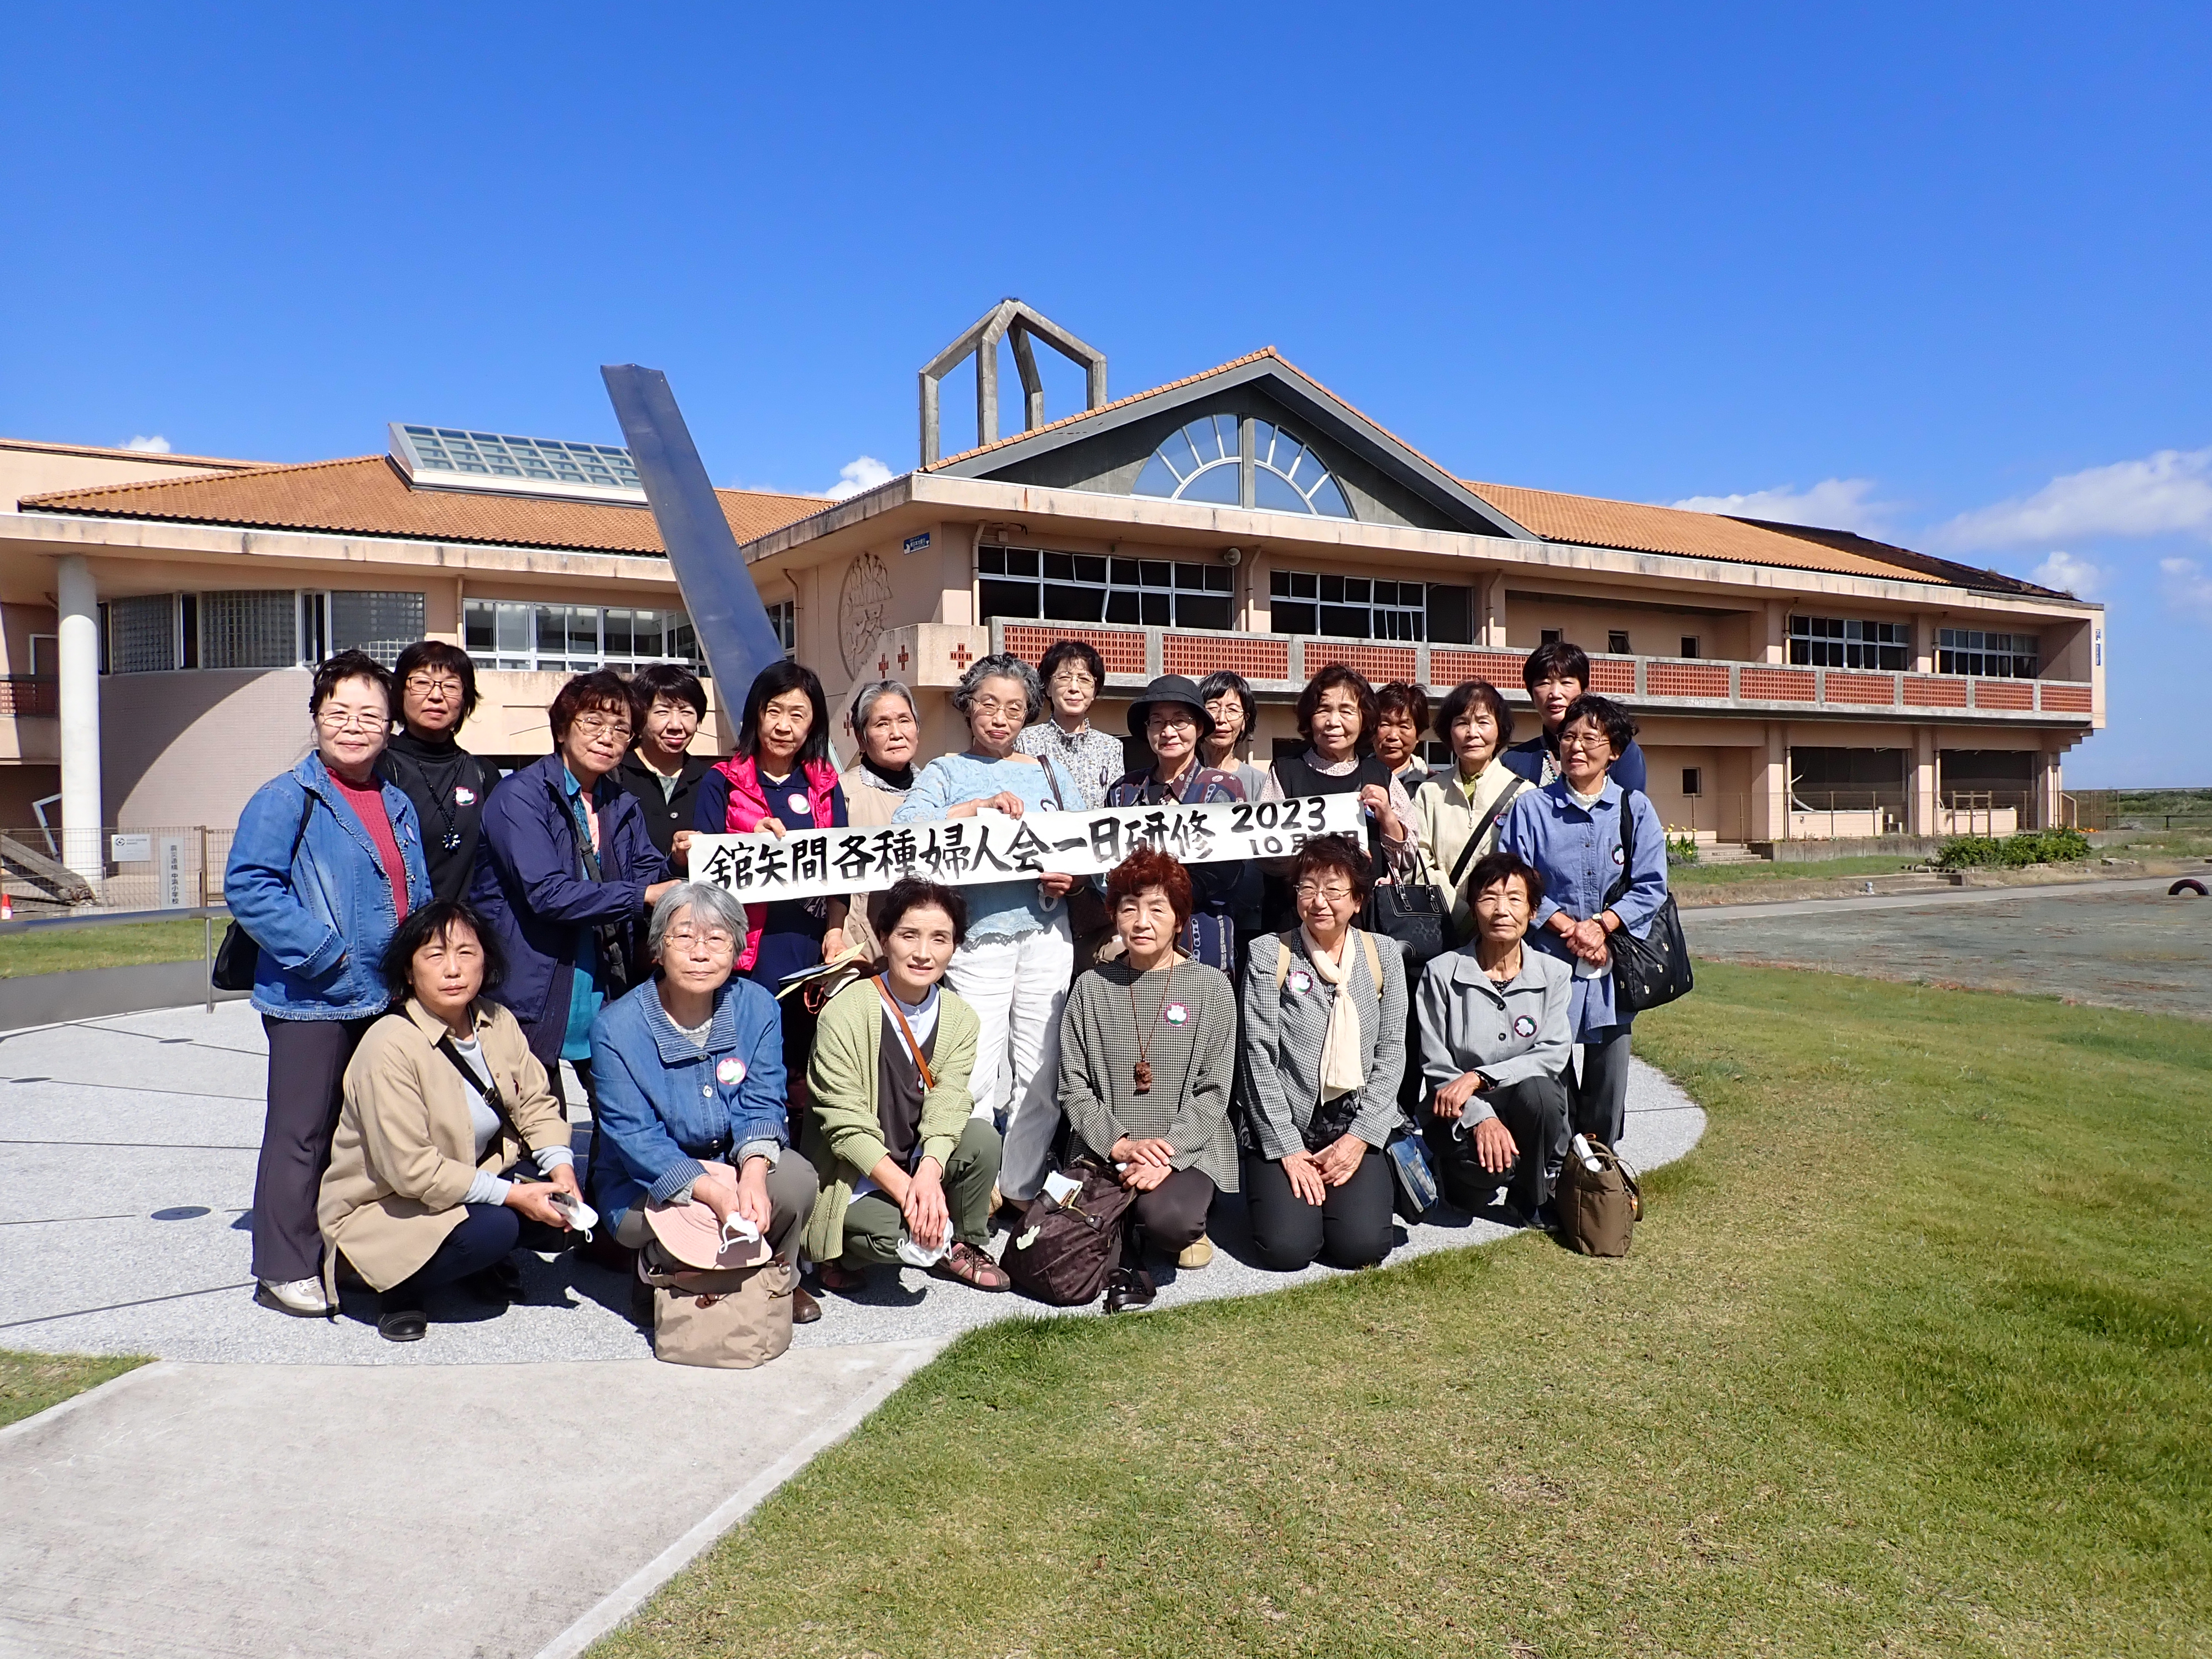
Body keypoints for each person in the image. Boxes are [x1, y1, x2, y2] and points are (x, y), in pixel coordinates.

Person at [226, 650, 432, 1317]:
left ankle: (351, 1252)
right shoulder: (287, 796)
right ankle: (283, 1265)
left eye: (369, 713)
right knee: (301, 1131)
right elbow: (250, 888)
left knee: (367, 1132)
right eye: (338, 711)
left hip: (385, 997)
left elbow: (415, 890)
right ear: (316, 719)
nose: (353, 725)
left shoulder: (394, 799)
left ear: (390, 725)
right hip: (312, 998)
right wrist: (325, 953)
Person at [320, 900, 578, 1341]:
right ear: (408, 970)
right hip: (391, 1204)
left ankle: (472, 1266)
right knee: (498, 1228)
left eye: (466, 953)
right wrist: (514, 1196)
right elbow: (412, 1172)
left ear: (486, 961)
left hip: (467, 1180)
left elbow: (535, 1103)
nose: (453, 969)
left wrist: (563, 1170)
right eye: (435, 956)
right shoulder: (390, 1045)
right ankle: (396, 1287)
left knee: (568, 1205)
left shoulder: (497, 1021)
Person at [894, 653, 1082, 1204]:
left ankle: (1020, 1185)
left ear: (1029, 714)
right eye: (989, 705)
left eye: (1015, 708)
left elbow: (1086, 846)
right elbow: (905, 832)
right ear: (967, 707)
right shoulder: (945, 771)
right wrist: (975, 809)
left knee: (1039, 1070)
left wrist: (1068, 879)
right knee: (972, 1073)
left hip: (1048, 937)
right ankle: (972, 1186)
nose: (1001, 718)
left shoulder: (1051, 771)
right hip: (976, 942)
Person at [588, 882, 822, 1323]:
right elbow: (635, 1137)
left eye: (716, 939)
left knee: (793, 1181)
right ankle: (661, 1270)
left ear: (737, 951)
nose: (700, 953)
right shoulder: (615, 1029)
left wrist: (752, 1175)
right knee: (659, 1215)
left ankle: (776, 1276)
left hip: (732, 1160)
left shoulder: (758, 1007)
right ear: (658, 949)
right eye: (684, 938)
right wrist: (711, 1190)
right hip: (644, 1180)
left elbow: (763, 1102)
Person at [472, 670, 679, 1093]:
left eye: (621, 728)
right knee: (534, 1130)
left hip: (602, 982)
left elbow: (651, 879)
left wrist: (676, 861)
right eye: (593, 722)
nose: (608, 736)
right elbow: (547, 893)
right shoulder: (520, 796)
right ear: (563, 728)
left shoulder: (620, 803)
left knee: (623, 1117)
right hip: (531, 983)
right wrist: (644, 894)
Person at [803, 879, 1009, 1293]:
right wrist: (907, 1191)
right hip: (855, 1176)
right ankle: (845, 1249)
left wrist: (928, 1178)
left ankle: (961, 1244)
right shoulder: (845, 1012)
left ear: (955, 946)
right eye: (908, 935)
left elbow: (950, 1102)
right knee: (892, 1238)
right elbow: (845, 1127)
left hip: (917, 1164)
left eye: (940, 939)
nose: (923, 953)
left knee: (982, 1138)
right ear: (884, 938)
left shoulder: (960, 1017)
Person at [1057, 847, 1239, 1310]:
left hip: (1183, 1146)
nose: (1141, 921)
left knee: (1170, 1221)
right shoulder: (1092, 987)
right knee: (1078, 1250)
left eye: (1157, 909)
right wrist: (1117, 1144)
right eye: (1129, 908)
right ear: (1114, 915)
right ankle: (1126, 1231)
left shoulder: (1212, 986)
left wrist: (1166, 1153)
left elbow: (1214, 1090)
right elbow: (1073, 1085)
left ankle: (1167, 1220)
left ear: (1179, 920)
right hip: (1107, 1148)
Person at [1498, 694, 1668, 1149]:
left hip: (1614, 967)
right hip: (1547, 965)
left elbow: (1651, 887)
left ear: (1614, 751)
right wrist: (1569, 928)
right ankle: (1555, 1172)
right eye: (1568, 736)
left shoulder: (1636, 809)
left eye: (1590, 738)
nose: (1576, 746)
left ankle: (1601, 1176)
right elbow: (1514, 885)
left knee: (1608, 1085)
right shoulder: (1530, 809)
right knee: (1549, 1076)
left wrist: (1603, 926)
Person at [1237, 837, 1408, 1273]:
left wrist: (1359, 1138)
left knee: (1362, 1247)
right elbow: (1257, 1057)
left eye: (1334, 891)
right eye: (1307, 889)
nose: (1319, 902)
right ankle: (1284, 1190)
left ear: (1357, 900)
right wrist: (1289, 1150)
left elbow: (1391, 1051)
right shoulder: (1268, 954)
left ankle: (1347, 1191)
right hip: (1287, 1122)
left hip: (1352, 1121)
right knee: (1288, 1248)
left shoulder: (1383, 954)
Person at [693, 660, 849, 1128]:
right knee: (744, 1058)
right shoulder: (721, 780)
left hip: (807, 947)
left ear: (814, 723)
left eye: (798, 715)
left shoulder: (825, 783)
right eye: (774, 711)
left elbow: (842, 866)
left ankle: (803, 1175)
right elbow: (702, 873)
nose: (784, 726)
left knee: (804, 1067)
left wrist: (836, 933)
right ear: (755, 716)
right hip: (747, 950)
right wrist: (746, 841)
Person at [1414, 851, 1573, 1227]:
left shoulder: (1555, 974)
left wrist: (1479, 1077)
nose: (1502, 910)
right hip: (1457, 1112)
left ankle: (1529, 1195)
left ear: (1533, 912)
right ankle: (1461, 1177)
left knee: (1543, 1093)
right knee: (1479, 1185)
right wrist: (1482, 1115)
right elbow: (1437, 1066)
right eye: (1489, 898)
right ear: (1473, 908)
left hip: (1521, 1104)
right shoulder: (1441, 973)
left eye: (1515, 899)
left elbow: (1552, 1054)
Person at [1257, 664, 1420, 931]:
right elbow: (1265, 854)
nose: (1334, 722)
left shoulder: (1380, 775)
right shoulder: (1286, 772)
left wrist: (1388, 817)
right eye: (1323, 710)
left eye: (1346, 711)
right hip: (1295, 922)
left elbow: (1408, 859)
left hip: (1364, 923)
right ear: (1310, 718)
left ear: (1364, 719)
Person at [1103, 674, 1247, 969]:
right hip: (1136, 932)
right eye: (1157, 721)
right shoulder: (1123, 790)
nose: (1168, 731)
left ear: (1199, 727)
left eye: (1180, 721)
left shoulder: (1224, 788)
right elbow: (1106, 863)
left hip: (1202, 930)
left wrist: (1162, 898)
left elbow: (1228, 872)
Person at [1411, 680, 1530, 946]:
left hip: (1504, 928)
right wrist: (1462, 914)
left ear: (1500, 731)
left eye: (1483, 722)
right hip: (1442, 928)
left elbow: (1528, 867)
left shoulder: (1524, 795)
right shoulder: (1429, 792)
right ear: (1449, 732)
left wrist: (1490, 912)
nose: (1472, 733)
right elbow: (1418, 861)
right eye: (1462, 723)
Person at [377, 640, 497, 905]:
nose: (436, 695)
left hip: (466, 935)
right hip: (399, 936)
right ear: (400, 693)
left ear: (465, 699)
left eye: (451, 686)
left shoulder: (483, 774)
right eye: (421, 683)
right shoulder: (379, 768)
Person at [836, 680, 921, 961]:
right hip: (862, 953)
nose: (896, 733)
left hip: (926, 951)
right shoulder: (842, 793)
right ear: (861, 737)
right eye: (882, 724)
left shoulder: (940, 789)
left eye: (904, 721)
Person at [1501, 641, 1649, 793]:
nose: (1555, 694)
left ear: (1583, 689)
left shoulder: (1618, 749)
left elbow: (1630, 810)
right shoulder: (1514, 760)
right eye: (1544, 683)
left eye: (1566, 682)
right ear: (1531, 693)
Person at [614, 662, 717, 870]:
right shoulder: (614, 774)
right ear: (640, 716)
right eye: (663, 712)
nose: (676, 726)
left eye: (686, 712)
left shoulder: (712, 780)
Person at [1014, 639, 1124, 807]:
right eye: (1064, 678)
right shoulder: (1024, 741)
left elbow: (1117, 808)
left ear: (1095, 691)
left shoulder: (1111, 748)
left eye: (1084, 679)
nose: (1074, 687)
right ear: (1048, 688)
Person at [1197, 670, 1268, 802]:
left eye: (1233, 710)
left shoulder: (1260, 784)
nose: (1222, 719)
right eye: (1213, 708)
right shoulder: (1180, 777)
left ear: (1244, 721)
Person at [1373, 681, 1432, 790]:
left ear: (1418, 735)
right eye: (1385, 724)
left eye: (1404, 726)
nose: (1393, 736)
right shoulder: (1354, 777)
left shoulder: (1433, 784)